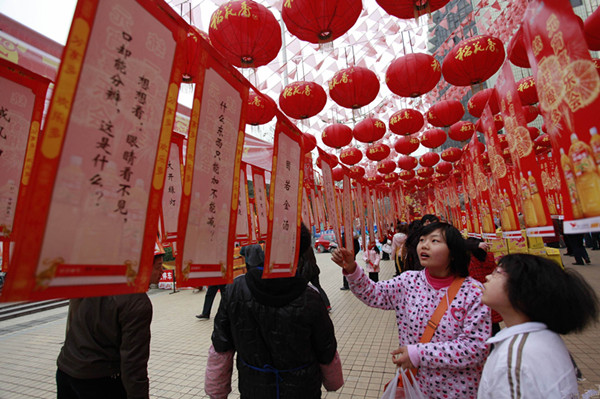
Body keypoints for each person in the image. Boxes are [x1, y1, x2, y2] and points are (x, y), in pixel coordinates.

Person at [332, 222, 491, 399]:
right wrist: (352, 269)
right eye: (422, 240)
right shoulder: (409, 281)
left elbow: (476, 347)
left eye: (434, 241)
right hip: (415, 386)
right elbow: (374, 294)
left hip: (457, 390)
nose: (424, 244)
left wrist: (419, 354)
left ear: (453, 252)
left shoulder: (473, 292)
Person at [205, 224, 343, 399]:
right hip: (302, 390)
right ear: (301, 252)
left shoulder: (235, 289)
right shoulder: (311, 297)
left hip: (254, 390)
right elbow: (326, 347)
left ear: (266, 245)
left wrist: (217, 390)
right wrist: (333, 382)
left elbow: (221, 344)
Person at [478, 254, 599, 398]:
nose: (487, 277)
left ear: (523, 289)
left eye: (497, 273)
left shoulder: (513, 359)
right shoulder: (545, 339)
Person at [56, 293, 153, 399]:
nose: (161, 275)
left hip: (66, 367)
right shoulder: (137, 302)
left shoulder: (96, 284)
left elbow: (74, 323)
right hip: (99, 380)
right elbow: (133, 364)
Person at [465, 237, 503, 336]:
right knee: (495, 326)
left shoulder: (470, 262)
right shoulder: (491, 258)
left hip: (478, 298)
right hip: (491, 295)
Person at [298, 229, 331, 311]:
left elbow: (301, 262)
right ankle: (327, 305)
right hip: (314, 269)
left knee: (300, 289)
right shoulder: (309, 247)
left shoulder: (300, 249)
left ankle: (305, 307)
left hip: (306, 271)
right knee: (318, 287)